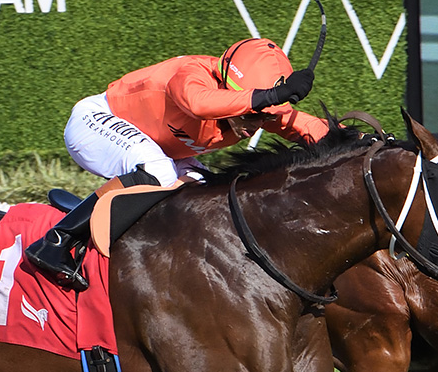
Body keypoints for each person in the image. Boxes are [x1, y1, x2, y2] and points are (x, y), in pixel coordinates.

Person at [25, 37, 330, 291]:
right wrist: (270, 95)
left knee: (208, 195)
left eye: (264, 115)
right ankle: (57, 240)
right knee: (158, 171)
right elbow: (200, 103)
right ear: (227, 86)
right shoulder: (190, 74)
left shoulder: (251, 106)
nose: (257, 124)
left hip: (155, 146)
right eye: (254, 113)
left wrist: (359, 142)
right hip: (94, 123)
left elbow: (308, 127)